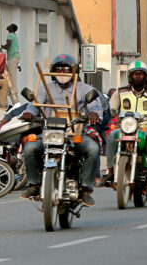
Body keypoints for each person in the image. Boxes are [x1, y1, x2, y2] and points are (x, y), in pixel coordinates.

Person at [19, 54, 101, 206]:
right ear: (52, 71)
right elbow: (34, 105)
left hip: (75, 134)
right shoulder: (45, 88)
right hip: (49, 134)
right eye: (58, 69)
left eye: (66, 69)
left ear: (74, 71)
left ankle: (85, 188)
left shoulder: (85, 89)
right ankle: (34, 185)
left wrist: (94, 113)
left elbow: (95, 106)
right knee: (30, 147)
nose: (62, 73)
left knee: (92, 148)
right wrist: (29, 113)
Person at [98, 61, 147, 187]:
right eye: (135, 74)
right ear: (130, 76)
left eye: (141, 74)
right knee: (112, 134)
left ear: (146, 77)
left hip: (144, 127)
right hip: (124, 127)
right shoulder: (120, 92)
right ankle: (110, 171)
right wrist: (111, 113)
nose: (138, 76)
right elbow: (111, 107)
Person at [1, 24, 20, 96]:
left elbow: (8, 45)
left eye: (10, 26)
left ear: (11, 29)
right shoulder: (15, 36)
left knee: (12, 75)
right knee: (10, 74)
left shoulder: (10, 35)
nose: (8, 26)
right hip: (15, 57)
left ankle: (14, 90)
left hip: (12, 57)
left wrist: (2, 47)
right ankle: (11, 90)